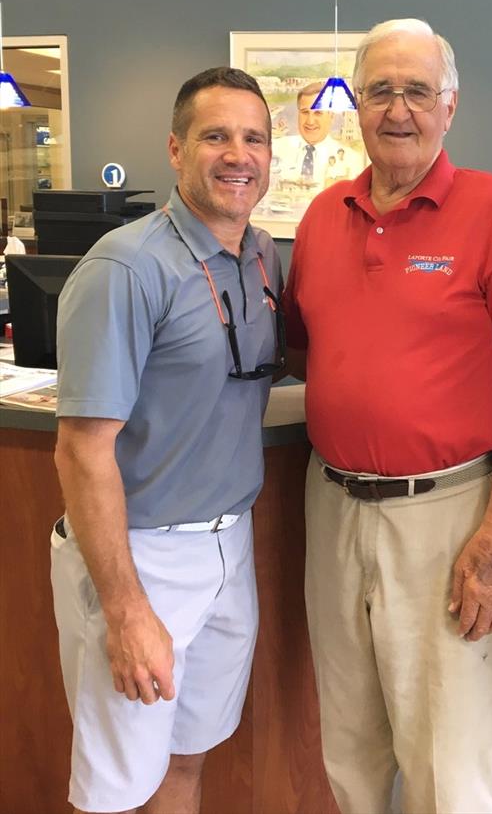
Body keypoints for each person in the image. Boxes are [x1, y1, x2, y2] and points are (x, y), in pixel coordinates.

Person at [282, 18, 492, 813]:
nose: (399, 109)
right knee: (351, 746)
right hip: (332, 507)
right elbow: (304, 350)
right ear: (357, 105)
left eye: (418, 91)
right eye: (381, 90)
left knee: (446, 759)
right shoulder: (323, 217)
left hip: (451, 512)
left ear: (450, 105)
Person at [51, 66, 282, 814]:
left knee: (187, 755)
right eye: (215, 135)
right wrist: (126, 609)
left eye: (253, 137)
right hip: (140, 553)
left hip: (228, 545)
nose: (236, 154)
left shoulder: (262, 255)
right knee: (116, 787)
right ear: (176, 149)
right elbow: (82, 448)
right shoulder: (125, 266)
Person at [271, 81, 360, 186]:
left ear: (331, 115)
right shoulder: (273, 150)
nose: (310, 121)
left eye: (318, 113)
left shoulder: (350, 159)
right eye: (305, 112)